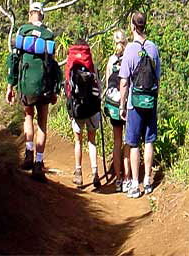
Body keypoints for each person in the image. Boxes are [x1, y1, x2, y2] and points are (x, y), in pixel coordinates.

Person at [6, 1, 61, 182]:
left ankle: (29, 153)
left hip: (26, 85)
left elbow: (14, 59)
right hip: (44, 86)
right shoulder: (48, 34)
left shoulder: (22, 31)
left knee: (28, 117)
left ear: (30, 14)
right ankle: (38, 164)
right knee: (42, 123)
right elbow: (52, 66)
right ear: (42, 15)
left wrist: (10, 85)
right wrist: (55, 90)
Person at [119, 12, 161, 198]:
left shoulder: (129, 50)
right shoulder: (153, 48)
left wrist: (122, 105)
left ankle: (135, 184)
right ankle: (148, 180)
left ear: (133, 26)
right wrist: (154, 100)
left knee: (134, 143)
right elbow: (158, 79)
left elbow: (124, 82)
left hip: (134, 103)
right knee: (149, 141)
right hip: (150, 101)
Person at [65, 38, 102, 189]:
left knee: (78, 141)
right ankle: (95, 173)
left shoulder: (71, 63)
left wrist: (70, 109)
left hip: (77, 108)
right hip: (92, 108)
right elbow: (98, 87)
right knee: (91, 141)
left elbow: (68, 88)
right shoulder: (91, 63)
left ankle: (79, 174)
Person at [104, 30, 131, 193]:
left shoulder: (111, 61)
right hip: (127, 103)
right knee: (129, 141)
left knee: (117, 141)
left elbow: (108, 83)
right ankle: (128, 178)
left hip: (113, 104)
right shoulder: (128, 59)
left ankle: (118, 178)